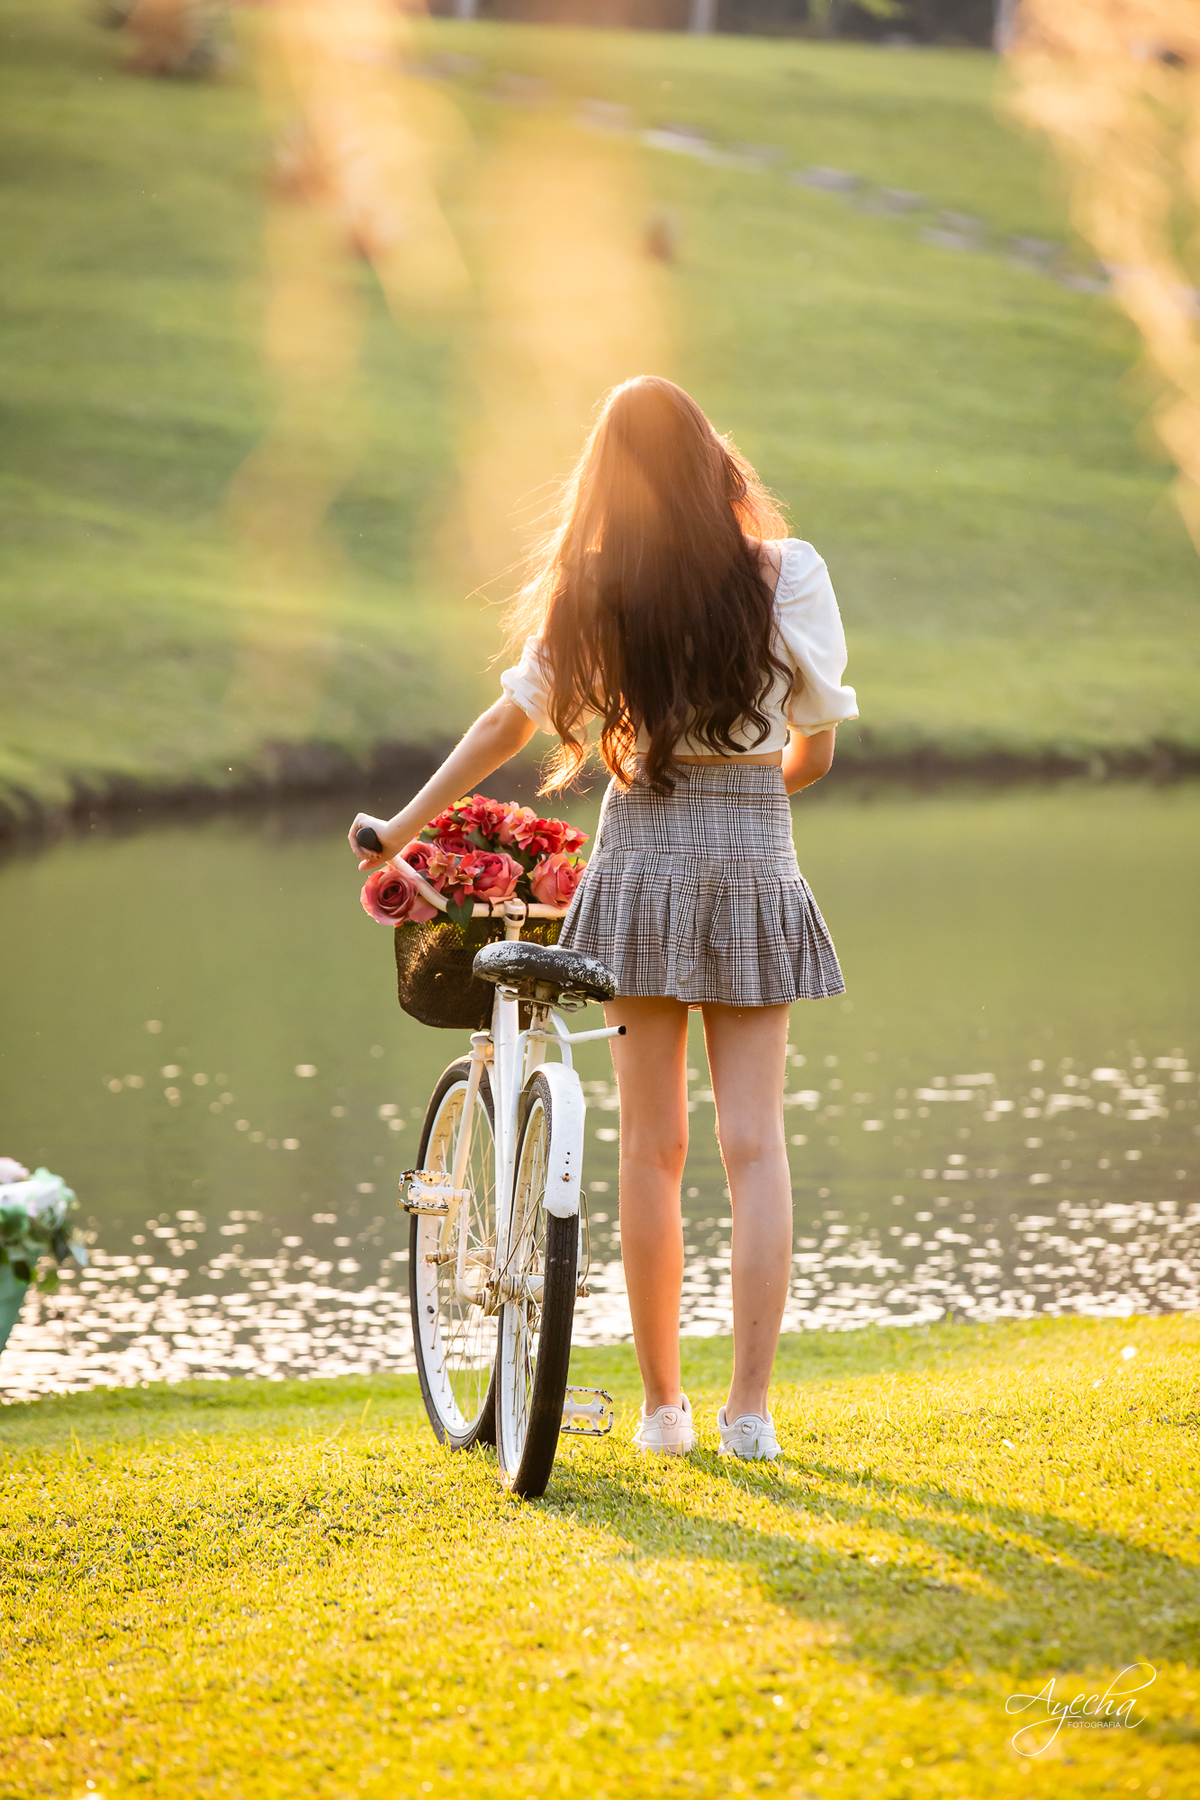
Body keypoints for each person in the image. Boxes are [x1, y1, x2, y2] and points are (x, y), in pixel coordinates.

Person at [349, 375, 857, 1461]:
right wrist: (766, 779)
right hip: (755, 855)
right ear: (715, 463)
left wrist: (399, 826)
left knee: (651, 1151)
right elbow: (816, 741)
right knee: (755, 1146)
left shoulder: (594, 586)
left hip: (640, 859)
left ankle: (663, 1410)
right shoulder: (789, 573)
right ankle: (751, 1415)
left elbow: (505, 721)